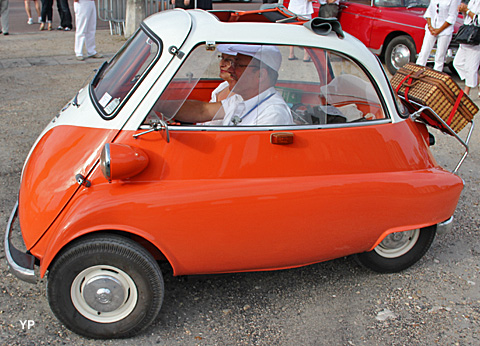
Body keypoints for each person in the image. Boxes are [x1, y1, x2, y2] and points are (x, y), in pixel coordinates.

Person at [170, 44, 293, 126]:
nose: (230, 70)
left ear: (261, 75)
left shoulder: (273, 114)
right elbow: (202, 110)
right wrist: (159, 105)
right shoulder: (241, 99)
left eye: (238, 65)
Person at [416, 0, 460, 72]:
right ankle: (417, 73)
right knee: (423, 53)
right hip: (431, 28)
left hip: (445, 30)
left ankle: (435, 76)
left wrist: (439, 30)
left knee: (440, 56)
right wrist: (430, 26)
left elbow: (452, 16)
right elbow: (429, 11)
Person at [453, 0, 480, 95]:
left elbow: (478, 21)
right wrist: (463, 10)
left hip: (475, 39)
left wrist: (467, 10)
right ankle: (477, 80)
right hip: (466, 36)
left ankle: (466, 92)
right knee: (457, 63)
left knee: (471, 68)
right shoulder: (472, 1)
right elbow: (467, 18)